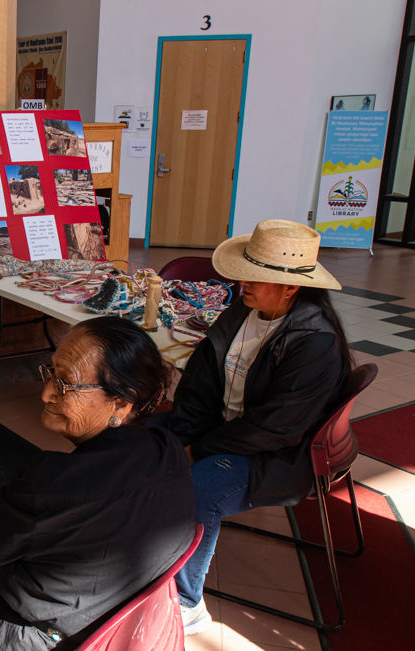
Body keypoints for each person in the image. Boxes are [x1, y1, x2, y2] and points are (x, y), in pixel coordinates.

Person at [0, 317, 195, 651]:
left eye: (65, 383)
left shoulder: (52, 481)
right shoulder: (168, 449)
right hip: (113, 625)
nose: (47, 392)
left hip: (37, 637)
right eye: (50, 371)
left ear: (122, 403)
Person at [158, 219, 352, 634]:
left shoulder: (314, 341)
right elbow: (198, 387)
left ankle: (187, 603)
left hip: (275, 455)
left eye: (257, 276)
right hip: (223, 432)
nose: (243, 281)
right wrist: (182, 438)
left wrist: (198, 449)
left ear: (291, 288)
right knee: (141, 443)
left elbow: (277, 428)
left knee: (199, 489)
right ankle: (141, 552)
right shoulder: (242, 311)